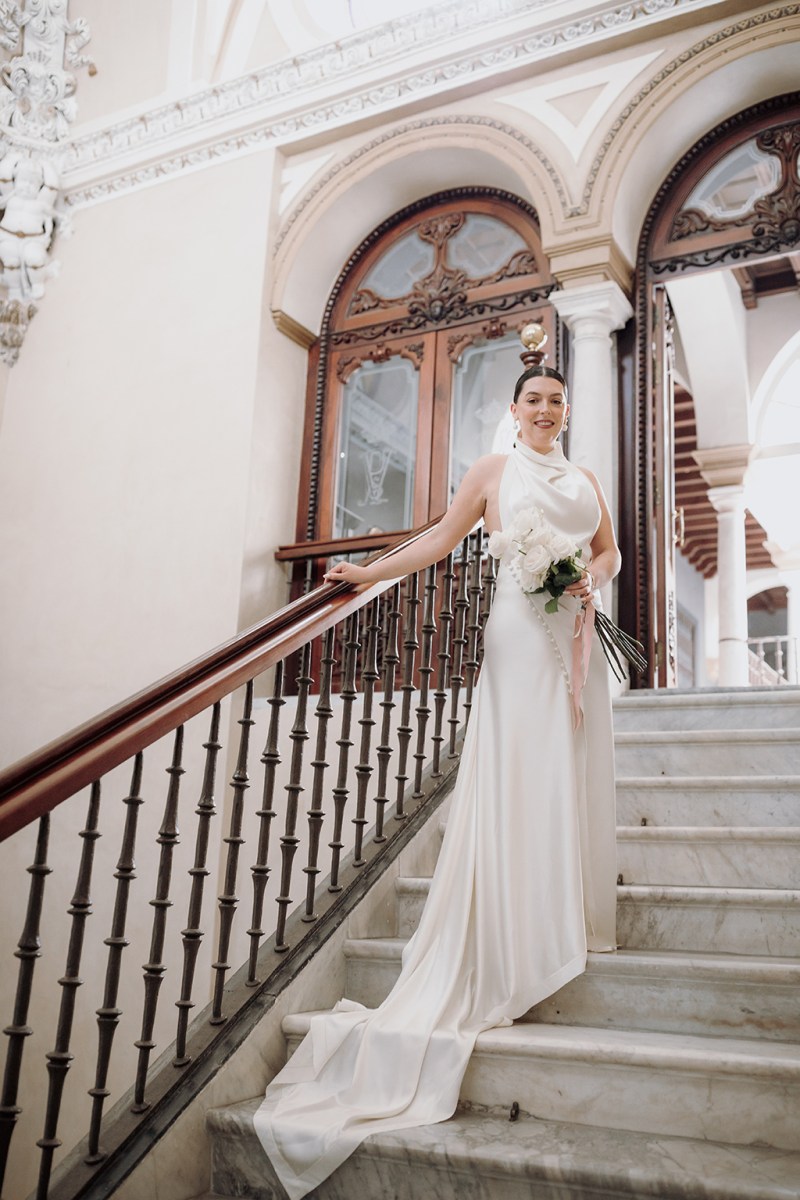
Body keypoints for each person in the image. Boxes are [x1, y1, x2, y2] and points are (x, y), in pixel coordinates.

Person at [253, 364, 620, 1200]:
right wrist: (370, 572)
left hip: (571, 636)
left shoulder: (588, 477)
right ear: (514, 410)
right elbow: (441, 540)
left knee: (560, 780)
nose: (547, 410)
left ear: (567, 410)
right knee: (517, 774)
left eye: (558, 400)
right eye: (534, 399)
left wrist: (595, 574)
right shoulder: (492, 474)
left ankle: (552, 920)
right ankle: (506, 940)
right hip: (519, 639)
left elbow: (608, 547)